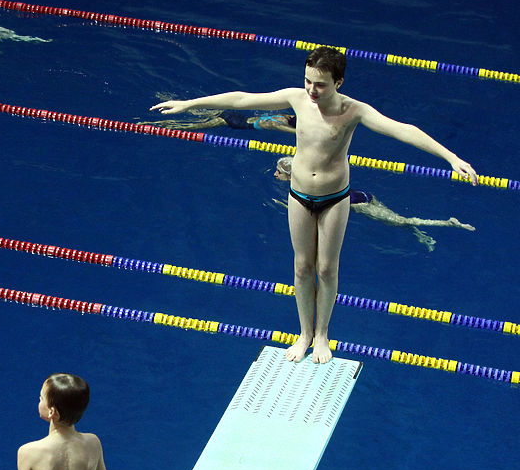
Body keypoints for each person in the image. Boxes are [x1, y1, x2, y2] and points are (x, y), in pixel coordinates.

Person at [151, 46, 478, 363]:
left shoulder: (355, 111)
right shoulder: (297, 98)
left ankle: (322, 334)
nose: (311, 89)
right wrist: (189, 103)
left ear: (339, 82)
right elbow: (242, 99)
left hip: (335, 199)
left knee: (326, 269)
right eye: (308, 80)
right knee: (302, 267)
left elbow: (403, 130)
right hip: (298, 195)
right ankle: (305, 333)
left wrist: (451, 157)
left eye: (320, 84)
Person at [273, 157, 475, 250]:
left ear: (290, 176)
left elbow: (305, 213)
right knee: (398, 220)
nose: (275, 174)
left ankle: (448, 223)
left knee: (402, 221)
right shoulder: (311, 177)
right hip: (364, 195)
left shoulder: (302, 189)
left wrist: (284, 205)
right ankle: (421, 236)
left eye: (279, 172)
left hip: (360, 205)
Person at [141, 105, 296, 133]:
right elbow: (295, 132)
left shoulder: (286, 116)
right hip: (234, 122)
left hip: (233, 114)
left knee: (197, 112)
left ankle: (169, 102)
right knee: (189, 127)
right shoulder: (280, 124)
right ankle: (153, 125)